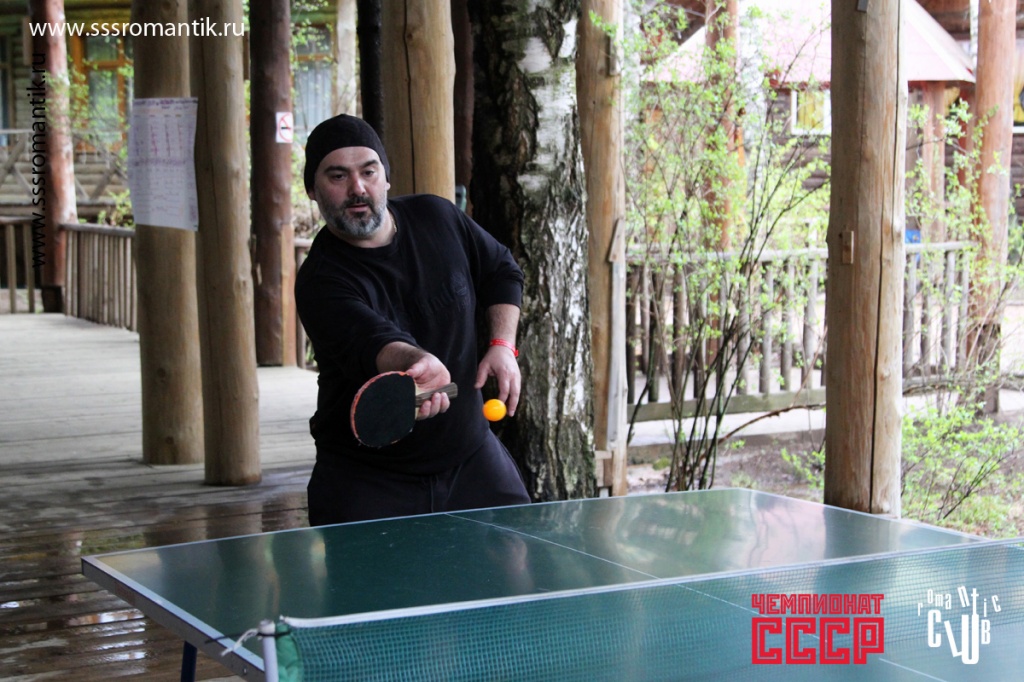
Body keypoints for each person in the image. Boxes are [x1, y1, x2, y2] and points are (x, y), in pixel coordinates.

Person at [295, 114, 531, 525]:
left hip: (471, 456)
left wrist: (502, 346)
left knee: (523, 555)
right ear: (312, 190)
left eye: (369, 171)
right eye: (338, 176)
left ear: (386, 178)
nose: (357, 188)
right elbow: (373, 341)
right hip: (369, 476)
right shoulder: (320, 280)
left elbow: (501, 271)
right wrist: (418, 364)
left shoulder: (437, 216)